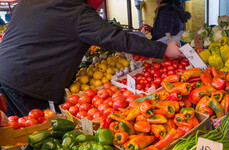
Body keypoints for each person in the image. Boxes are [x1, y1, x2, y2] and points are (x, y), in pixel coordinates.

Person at [0, 0, 184, 117]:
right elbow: (115, 38)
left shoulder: (29, 3)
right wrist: (163, 49)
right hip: (26, 84)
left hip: (7, 74)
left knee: (15, 138)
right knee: (32, 140)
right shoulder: (75, 12)